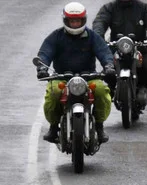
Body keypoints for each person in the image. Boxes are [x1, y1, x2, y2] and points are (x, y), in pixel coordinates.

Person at [35, 2, 115, 144]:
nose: (75, 24)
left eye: (77, 20)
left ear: (83, 20)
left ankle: (99, 126)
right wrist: (42, 68)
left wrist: (108, 66)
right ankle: (54, 127)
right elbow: (45, 53)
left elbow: (104, 52)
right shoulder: (56, 36)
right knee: (53, 92)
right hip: (62, 77)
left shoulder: (92, 36)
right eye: (72, 21)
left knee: (102, 91)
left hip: (88, 77)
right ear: (66, 20)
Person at [91, 0, 147, 97]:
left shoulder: (144, 8)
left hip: (140, 49)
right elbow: (100, 22)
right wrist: (99, 35)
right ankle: (111, 87)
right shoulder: (109, 8)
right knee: (108, 71)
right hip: (116, 49)